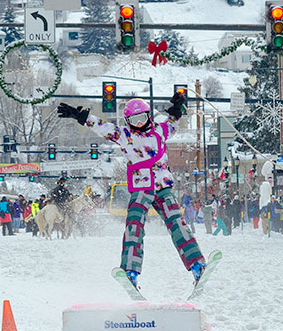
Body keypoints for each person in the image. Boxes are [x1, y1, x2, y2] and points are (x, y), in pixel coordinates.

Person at [57, 93, 209, 291]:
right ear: (128, 122)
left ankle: (197, 264)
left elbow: (173, 122)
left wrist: (177, 110)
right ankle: (130, 272)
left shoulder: (160, 131)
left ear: (148, 117)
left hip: (163, 187)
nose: (139, 124)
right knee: (134, 226)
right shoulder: (126, 135)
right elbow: (105, 128)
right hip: (141, 187)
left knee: (177, 223)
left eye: (142, 119)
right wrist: (83, 117)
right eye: (134, 120)